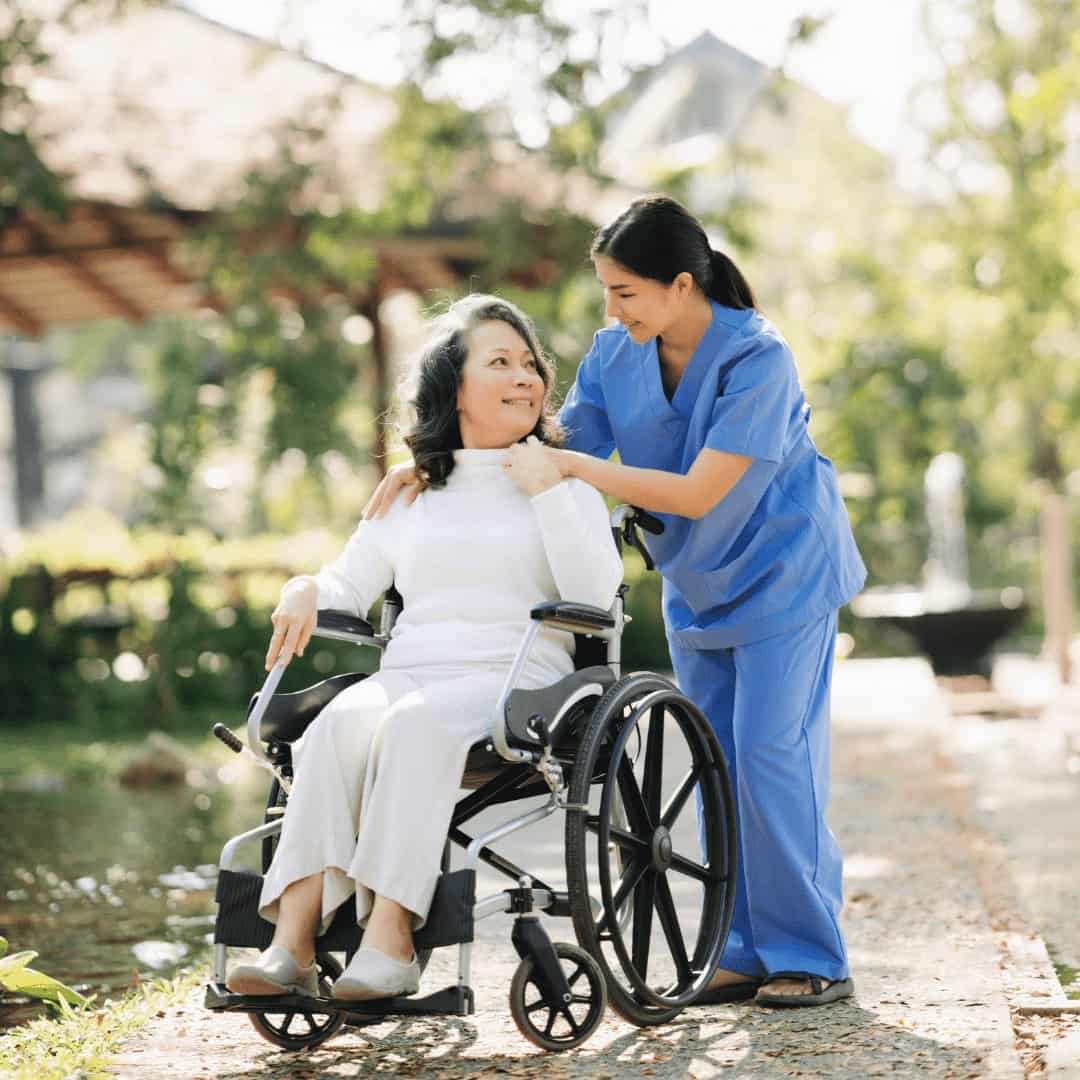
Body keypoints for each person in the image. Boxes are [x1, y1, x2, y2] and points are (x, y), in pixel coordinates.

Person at [363, 195, 867, 1008]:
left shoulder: (758, 360)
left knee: (773, 755)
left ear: (678, 285)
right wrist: (439, 464)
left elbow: (700, 490)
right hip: (698, 584)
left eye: (623, 292)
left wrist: (579, 473)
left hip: (786, 577)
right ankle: (739, 948)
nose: (610, 309)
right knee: (717, 770)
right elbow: (555, 450)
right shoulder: (615, 353)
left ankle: (810, 952)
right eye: (605, 291)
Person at [226, 294, 623, 1002]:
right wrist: (303, 586)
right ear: (454, 386)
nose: (526, 377)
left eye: (531, 363)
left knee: (413, 725)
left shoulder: (567, 480)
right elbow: (348, 582)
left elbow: (595, 594)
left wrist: (547, 490)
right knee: (336, 725)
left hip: (520, 679)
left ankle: (393, 941)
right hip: (412, 672)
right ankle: (292, 943)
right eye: (500, 361)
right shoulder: (413, 492)